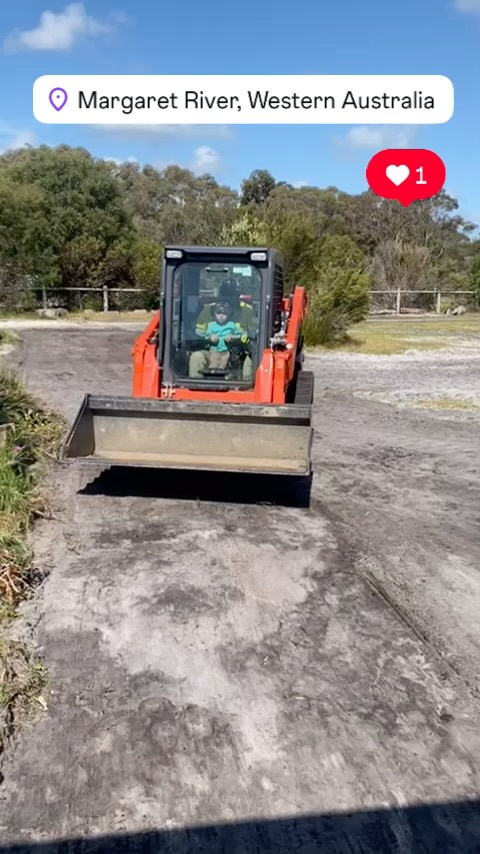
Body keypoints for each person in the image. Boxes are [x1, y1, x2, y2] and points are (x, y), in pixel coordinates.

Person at [189, 278, 255, 380]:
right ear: (220, 294)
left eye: (232, 294)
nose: (229, 298)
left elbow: (252, 336)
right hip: (212, 350)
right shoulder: (208, 310)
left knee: (249, 361)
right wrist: (208, 338)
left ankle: (245, 390)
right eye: (226, 294)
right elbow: (197, 335)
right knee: (196, 357)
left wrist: (237, 339)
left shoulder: (247, 311)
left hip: (239, 353)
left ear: (238, 295)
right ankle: (196, 389)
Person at [195, 302, 247, 372]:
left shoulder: (232, 325)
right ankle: (212, 376)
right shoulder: (211, 325)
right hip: (214, 350)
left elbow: (241, 334)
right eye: (218, 313)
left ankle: (221, 375)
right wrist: (211, 337)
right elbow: (205, 335)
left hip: (227, 351)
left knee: (224, 363)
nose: (221, 316)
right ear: (214, 314)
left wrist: (232, 337)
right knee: (214, 362)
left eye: (224, 314)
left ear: (229, 315)